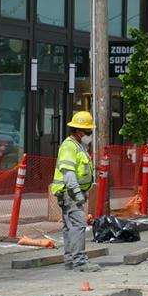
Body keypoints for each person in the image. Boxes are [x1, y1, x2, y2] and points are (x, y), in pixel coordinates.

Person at [50, 111, 99, 272]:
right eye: (88, 132)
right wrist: (77, 193)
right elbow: (69, 173)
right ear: (78, 131)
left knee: (70, 226)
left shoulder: (79, 146)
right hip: (70, 193)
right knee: (78, 225)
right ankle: (80, 261)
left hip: (70, 193)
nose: (90, 135)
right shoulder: (69, 147)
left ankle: (71, 260)